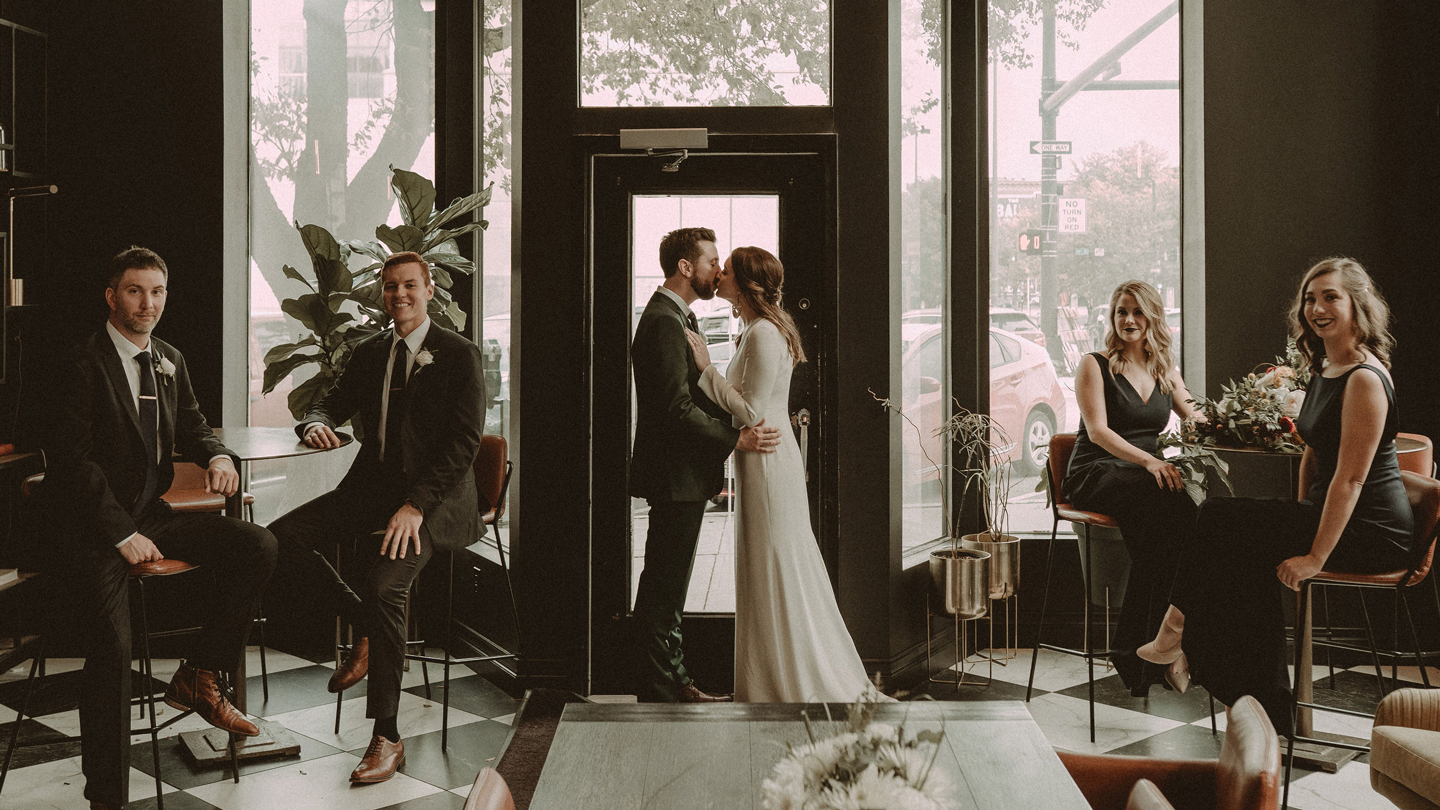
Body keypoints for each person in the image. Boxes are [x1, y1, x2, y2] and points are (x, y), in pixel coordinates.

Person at [41, 247, 278, 810]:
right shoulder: (81, 363)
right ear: (111, 296)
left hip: (151, 517)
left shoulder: (169, 358)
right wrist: (121, 534)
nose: (148, 304)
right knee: (113, 650)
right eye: (135, 291)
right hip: (92, 529)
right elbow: (73, 463)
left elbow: (193, 424)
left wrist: (217, 456)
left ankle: (200, 674)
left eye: (157, 292)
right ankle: (107, 798)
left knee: (258, 546)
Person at [1138, 257, 1415, 733]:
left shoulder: (1365, 378)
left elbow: (1350, 480)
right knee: (1240, 549)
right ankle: (1263, 709)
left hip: (1371, 531)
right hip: (1330, 514)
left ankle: (1178, 636)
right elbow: (1313, 453)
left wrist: (1313, 556)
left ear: (1357, 304)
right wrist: (1297, 515)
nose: (1317, 308)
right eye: (1310, 298)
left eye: (1331, 297)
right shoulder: (1327, 365)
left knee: (1220, 518)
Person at [267, 251, 487, 784]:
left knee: (386, 586)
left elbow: (464, 443)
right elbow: (329, 403)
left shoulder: (459, 354)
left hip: (434, 501)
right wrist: (313, 424)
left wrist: (416, 506)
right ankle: (364, 626)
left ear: (429, 290)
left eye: (409, 285)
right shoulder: (370, 353)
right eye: (390, 287)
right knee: (278, 538)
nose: (399, 295)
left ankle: (387, 736)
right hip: (373, 489)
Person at [685, 246, 881, 703]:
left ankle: (784, 681)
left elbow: (751, 410)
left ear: (745, 283)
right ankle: (765, 680)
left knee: (774, 565)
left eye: (726, 271)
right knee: (764, 566)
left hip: (769, 465)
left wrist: (706, 370)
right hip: (760, 462)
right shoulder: (754, 330)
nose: (719, 276)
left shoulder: (764, 334)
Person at [630, 228, 781, 703]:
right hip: (675, 476)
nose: (718, 271)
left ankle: (670, 683)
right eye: (712, 261)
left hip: (684, 476)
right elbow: (675, 409)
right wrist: (736, 437)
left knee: (667, 586)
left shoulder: (680, 316)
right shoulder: (664, 321)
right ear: (685, 267)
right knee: (664, 588)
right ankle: (665, 689)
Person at [1064, 280, 1203, 696]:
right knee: (1173, 514)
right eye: (1121, 312)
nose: (1128, 319)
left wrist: (1247, 417)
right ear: (1112, 318)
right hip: (1097, 471)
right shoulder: (1095, 364)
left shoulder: (1164, 370)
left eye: (1138, 312)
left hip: (1144, 480)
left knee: (1170, 537)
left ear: (1153, 317)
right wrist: (1150, 460)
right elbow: (1098, 432)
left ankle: (1142, 652)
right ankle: (1164, 648)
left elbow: (1196, 414)